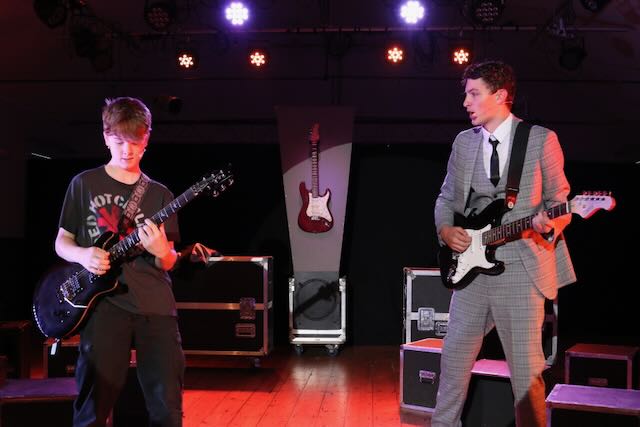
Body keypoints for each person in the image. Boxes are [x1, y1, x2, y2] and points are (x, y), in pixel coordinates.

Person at [432, 61, 576, 427]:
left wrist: (548, 224)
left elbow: (559, 201)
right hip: (472, 270)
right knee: (453, 362)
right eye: (466, 94)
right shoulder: (464, 143)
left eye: (474, 93)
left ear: (500, 95)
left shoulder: (541, 139)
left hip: (522, 269)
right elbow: (446, 197)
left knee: (526, 375)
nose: (465, 102)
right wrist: (446, 230)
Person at [54, 97, 184, 426]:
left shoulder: (160, 194)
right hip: (103, 306)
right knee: (93, 407)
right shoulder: (84, 184)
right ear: (105, 137)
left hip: (155, 307)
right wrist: (83, 254)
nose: (127, 151)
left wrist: (161, 251)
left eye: (135, 142)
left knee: (167, 407)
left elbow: (168, 262)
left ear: (147, 139)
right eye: (119, 141)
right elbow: (62, 242)